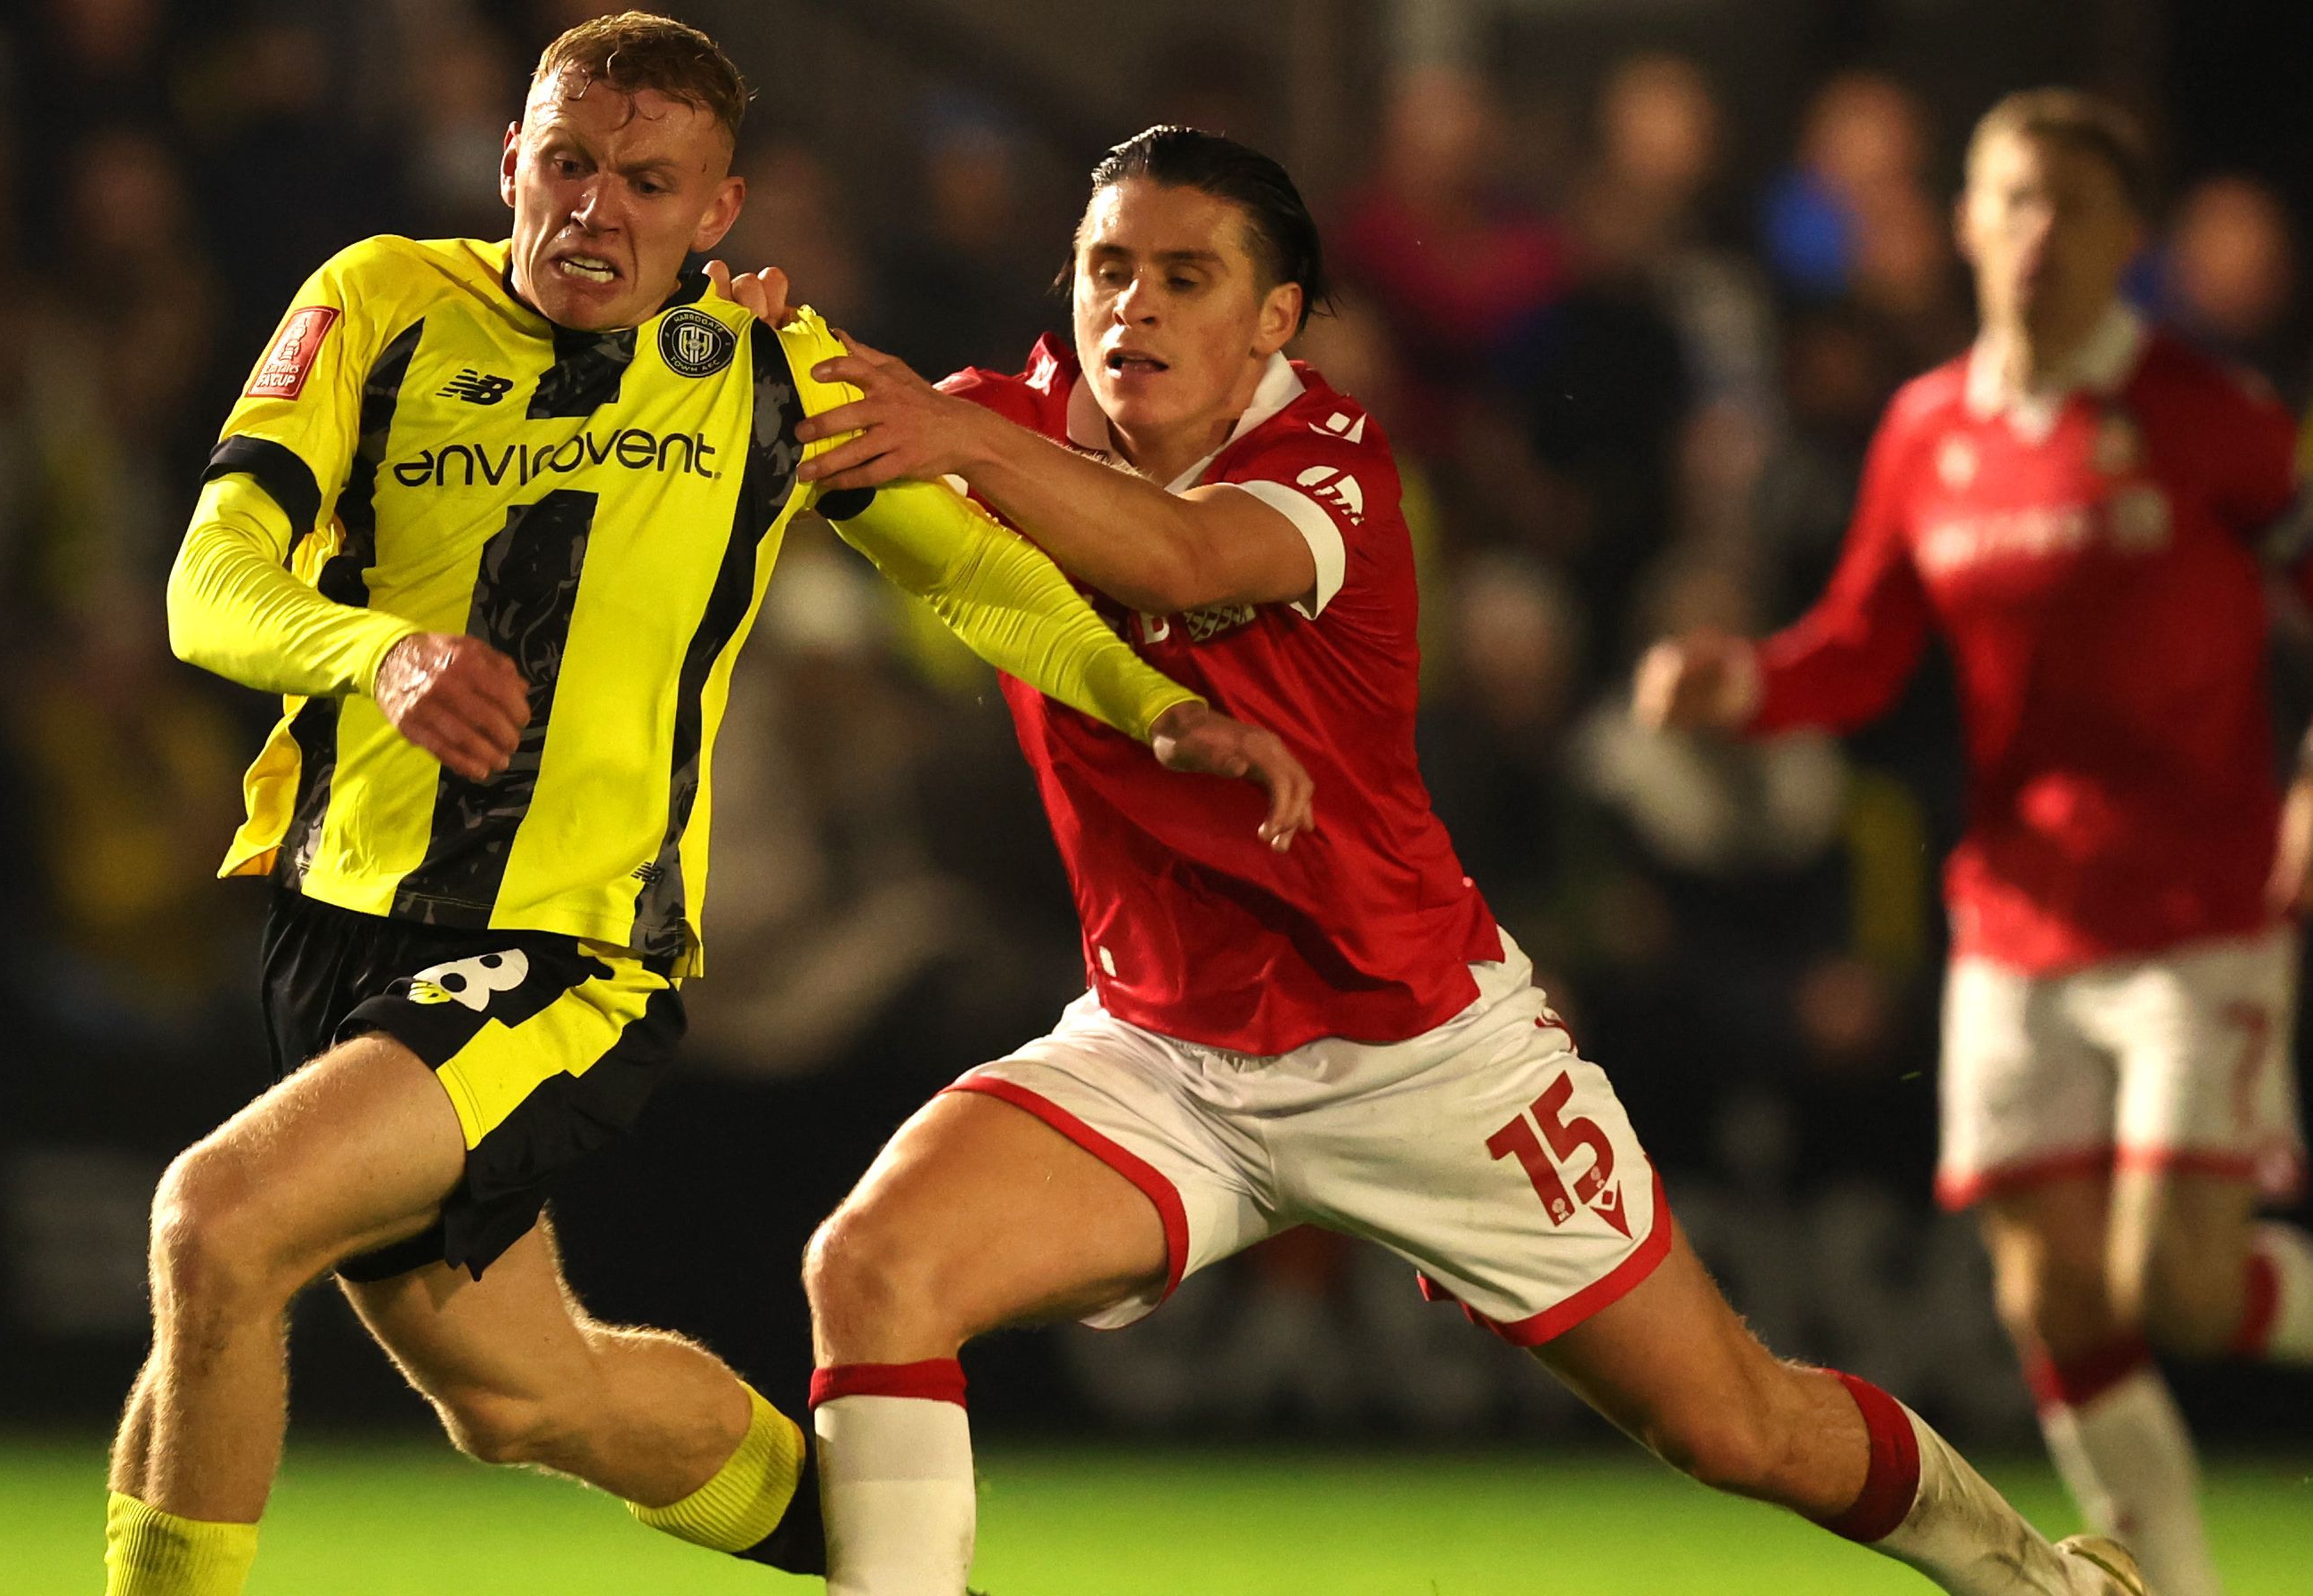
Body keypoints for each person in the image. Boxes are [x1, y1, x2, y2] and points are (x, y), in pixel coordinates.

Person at [719, 125, 2147, 1596]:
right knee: (874, 1270)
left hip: (1417, 1054)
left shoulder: (1327, 459)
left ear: (1273, 317)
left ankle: (2041, 1583)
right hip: (1161, 1053)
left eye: (1183, 277)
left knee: (1736, 1427)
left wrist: (959, 442)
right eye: (1106, 268)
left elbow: (1183, 559)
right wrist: (739, 351)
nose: (1130, 306)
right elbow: (802, 430)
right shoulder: (997, 425)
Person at [106, 19, 1313, 1596]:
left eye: (647, 183)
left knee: (215, 1223)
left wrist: (1150, 704)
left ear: (717, 211)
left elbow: (970, 571)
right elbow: (207, 584)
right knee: (519, 1393)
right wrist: (377, 651)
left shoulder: (762, 367)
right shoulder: (377, 299)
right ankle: (876, 1549)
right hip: (337, 919)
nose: (594, 209)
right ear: (511, 163)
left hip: (569, 951)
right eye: (568, 164)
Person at [1638, 90, 2313, 1596]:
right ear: (1963, 221)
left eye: (2073, 203)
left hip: (2196, 907)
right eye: (2012, 197)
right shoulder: (1927, 428)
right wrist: (1745, 683)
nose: (2037, 231)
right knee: (2052, 1293)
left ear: (2128, 237)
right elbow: (1865, 647)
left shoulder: (2211, 417)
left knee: (2179, 1288)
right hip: (2014, 912)